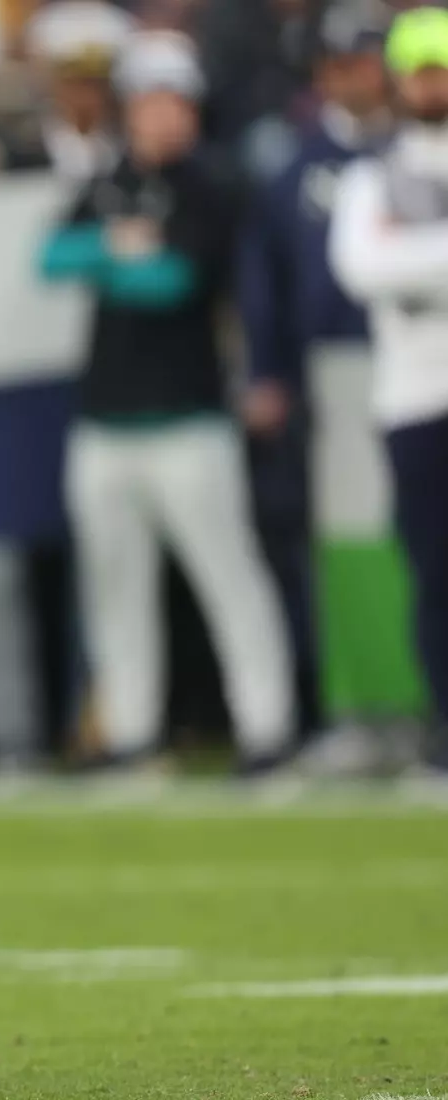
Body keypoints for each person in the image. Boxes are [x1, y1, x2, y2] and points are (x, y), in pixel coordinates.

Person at [39, 32, 296, 775]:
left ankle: (266, 727)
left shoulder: (211, 184)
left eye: (172, 100)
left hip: (188, 415)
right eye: (147, 101)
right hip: (102, 420)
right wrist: (117, 248)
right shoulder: (108, 179)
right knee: (115, 587)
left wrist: (112, 256)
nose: (160, 116)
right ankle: (130, 731)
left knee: (228, 576)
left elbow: (173, 283)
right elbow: (50, 257)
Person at [240, 10, 393, 761]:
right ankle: (361, 709)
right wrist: (267, 370)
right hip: (332, 372)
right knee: (345, 547)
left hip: (417, 364)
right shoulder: (299, 167)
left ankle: (418, 705)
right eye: (341, 63)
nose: (354, 76)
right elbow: (264, 280)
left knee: (419, 542)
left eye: (365, 61)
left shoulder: (411, 151)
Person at [330, 7, 448, 777]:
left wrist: (415, 259)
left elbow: (391, 264)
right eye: (419, 69)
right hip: (412, 401)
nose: (429, 82)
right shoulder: (372, 173)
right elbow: (360, 268)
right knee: (434, 575)